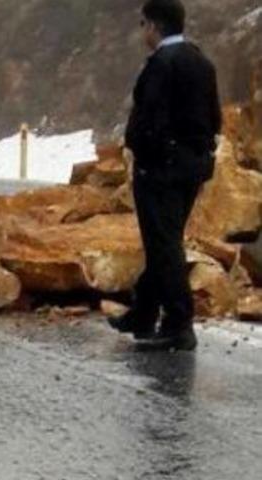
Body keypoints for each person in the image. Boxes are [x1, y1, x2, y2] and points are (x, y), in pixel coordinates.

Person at [110, 0, 221, 351]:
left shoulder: (161, 63)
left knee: (164, 245)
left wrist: (140, 150)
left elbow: (149, 117)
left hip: (160, 168)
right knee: (165, 241)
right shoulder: (201, 61)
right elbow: (214, 116)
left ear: (154, 26)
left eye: (143, 23)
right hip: (193, 165)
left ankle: (178, 322)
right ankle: (143, 312)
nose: (142, 30)